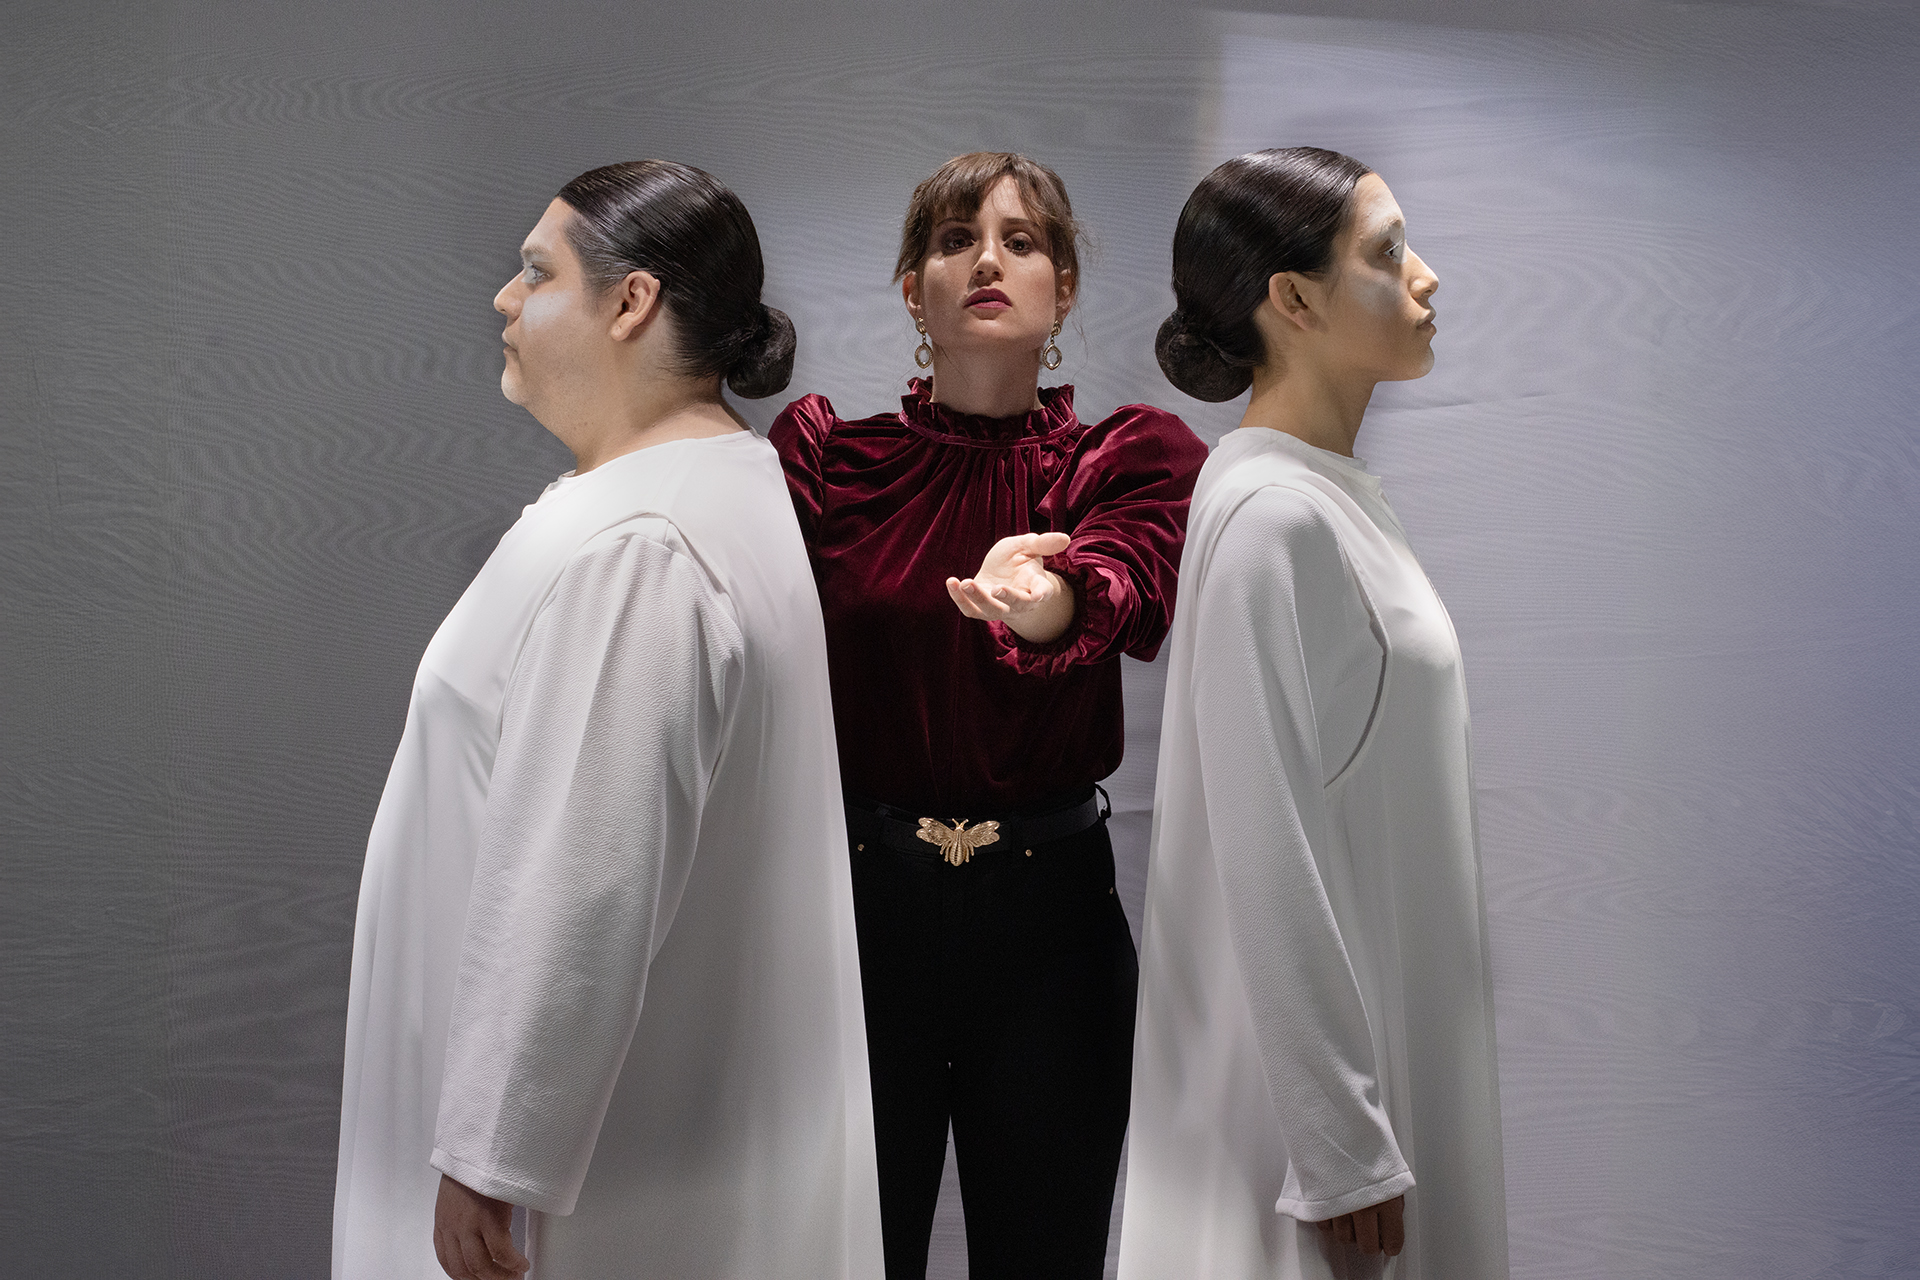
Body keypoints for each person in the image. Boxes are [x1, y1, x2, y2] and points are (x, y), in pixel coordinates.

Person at [331, 160, 883, 1280]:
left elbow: (586, 873)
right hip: (675, 1145)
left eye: (537, 272)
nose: (504, 297)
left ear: (631, 302)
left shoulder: (643, 547)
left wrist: (496, 1153)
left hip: (594, 1184)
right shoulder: (713, 489)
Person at [769, 152, 1208, 1279]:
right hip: (862, 914)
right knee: (850, 1255)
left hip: (1050, 926)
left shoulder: (1124, 459)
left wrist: (1043, 602)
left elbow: (1123, 587)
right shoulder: (827, 462)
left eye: (1020, 241)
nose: (986, 261)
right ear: (913, 289)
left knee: (1045, 1259)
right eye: (956, 239)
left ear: (1064, 287)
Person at [1118, 148, 1509, 1280]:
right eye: (1389, 252)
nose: (1426, 275)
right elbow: (1263, 839)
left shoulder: (1326, 498)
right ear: (1292, 299)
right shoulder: (1269, 517)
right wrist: (1341, 1145)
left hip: (1387, 1036)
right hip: (1309, 1130)